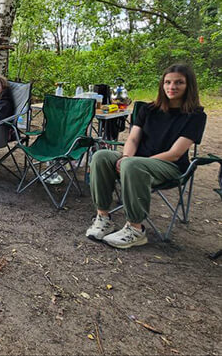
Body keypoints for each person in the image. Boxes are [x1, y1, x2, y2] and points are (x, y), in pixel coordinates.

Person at [87, 64, 206, 249]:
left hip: (169, 166)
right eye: (167, 82)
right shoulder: (149, 109)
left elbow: (175, 154)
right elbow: (133, 139)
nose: (172, 87)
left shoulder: (195, 116)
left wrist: (132, 162)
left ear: (189, 85)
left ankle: (136, 229)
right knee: (101, 156)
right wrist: (126, 156)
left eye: (179, 83)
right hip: (135, 162)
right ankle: (103, 217)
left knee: (132, 165)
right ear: (162, 84)